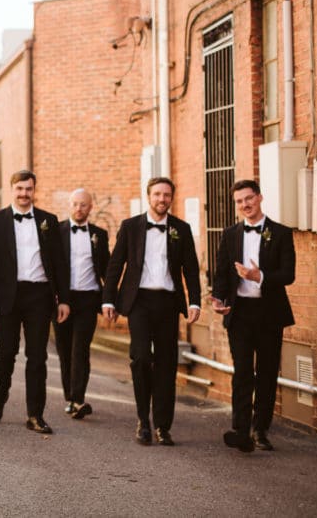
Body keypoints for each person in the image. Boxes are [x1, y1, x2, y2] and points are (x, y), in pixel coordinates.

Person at [103, 177, 201, 446]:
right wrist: (108, 300)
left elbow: (191, 268)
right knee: (142, 358)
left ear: (171, 198)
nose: (162, 199)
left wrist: (195, 301)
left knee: (168, 364)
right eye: (157, 194)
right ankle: (142, 420)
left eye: (167, 195)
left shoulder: (181, 228)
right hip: (139, 302)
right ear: (149, 196)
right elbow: (115, 265)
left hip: (168, 302)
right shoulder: (131, 226)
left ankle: (163, 426)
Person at [0, 169, 69, 435]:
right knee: (6, 353)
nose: (24, 194)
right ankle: (0, 396)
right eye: (20, 189)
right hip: (7, 295)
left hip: (39, 296)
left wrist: (63, 299)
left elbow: (60, 264)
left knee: (38, 356)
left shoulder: (48, 221)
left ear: (34, 190)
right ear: (12, 190)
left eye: (29, 189)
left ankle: (34, 414)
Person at [212, 179, 295, 453]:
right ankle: (240, 430)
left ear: (259, 198)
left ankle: (261, 430)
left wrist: (259, 276)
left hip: (270, 313)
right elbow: (222, 272)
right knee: (243, 372)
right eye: (239, 201)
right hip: (241, 314)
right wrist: (219, 299)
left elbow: (289, 274)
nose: (245, 205)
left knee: (267, 372)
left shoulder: (280, 233)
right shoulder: (231, 233)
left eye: (249, 198)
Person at [54, 188, 109, 419]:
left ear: (90, 208)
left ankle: (78, 399)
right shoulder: (56, 231)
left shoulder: (99, 235)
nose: (79, 208)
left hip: (88, 298)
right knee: (64, 350)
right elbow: (51, 269)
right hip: (62, 300)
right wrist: (56, 297)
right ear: (69, 205)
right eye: (75, 204)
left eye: (83, 205)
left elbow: (106, 268)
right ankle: (70, 397)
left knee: (80, 349)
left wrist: (110, 301)